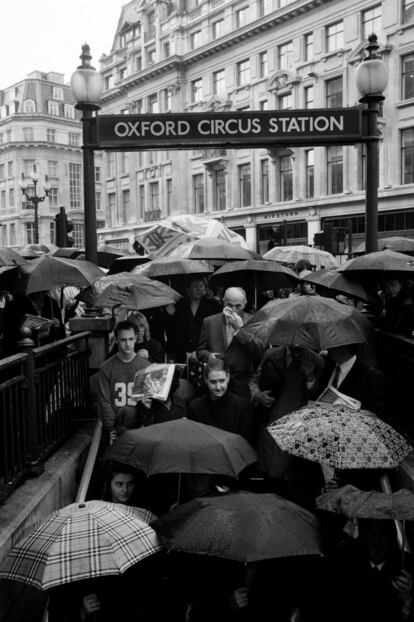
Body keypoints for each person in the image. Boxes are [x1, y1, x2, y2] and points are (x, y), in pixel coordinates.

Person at [325, 519, 413, 622]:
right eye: (371, 532)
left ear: (391, 535)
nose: (377, 540)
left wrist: (406, 597)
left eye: (382, 533)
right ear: (363, 535)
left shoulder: (407, 567)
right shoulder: (345, 566)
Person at [98, 320, 150, 442]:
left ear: (136, 339)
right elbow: (105, 401)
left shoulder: (146, 366)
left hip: (138, 427)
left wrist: (144, 426)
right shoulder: (106, 368)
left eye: (131, 339)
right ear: (116, 340)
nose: (127, 344)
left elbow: (149, 401)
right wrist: (112, 429)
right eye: (123, 340)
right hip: (116, 426)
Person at [187, 356, 253, 442]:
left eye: (222, 381)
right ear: (206, 380)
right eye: (213, 382)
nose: (218, 387)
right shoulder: (195, 407)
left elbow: (246, 441)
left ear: (228, 377)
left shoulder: (242, 405)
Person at [317, 343, 385, 417]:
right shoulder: (328, 364)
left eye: (330, 343)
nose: (326, 348)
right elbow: (319, 393)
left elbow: (375, 413)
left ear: (344, 346)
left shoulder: (371, 375)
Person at [197, 287, 251, 362]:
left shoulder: (252, 321)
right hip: (219, 371)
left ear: (245, 304)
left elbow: (259, 351)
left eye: (238, 306)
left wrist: (239, 330)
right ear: (223, 302)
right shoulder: (209, 322)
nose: (234, 310)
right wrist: (209, 356)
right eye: (230, 305)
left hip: (243, 372)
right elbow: (200, 351)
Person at [173, 277, 220, 363]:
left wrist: (199, 352)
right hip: (184, 353)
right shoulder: (180, 305)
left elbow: (215, 330)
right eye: (195, 286)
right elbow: (175, 331)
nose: (199, 289)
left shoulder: (213, 305)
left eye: (201, 286)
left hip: (205, 352)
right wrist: (186, 352)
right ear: (187, 289)